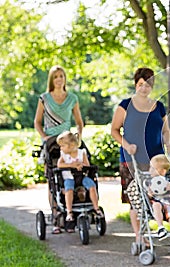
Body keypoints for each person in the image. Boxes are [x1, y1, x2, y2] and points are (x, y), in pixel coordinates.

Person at [110, 67, 170, 245]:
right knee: (135, 199)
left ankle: (163, 227)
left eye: (147, 85)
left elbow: (166, 130)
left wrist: (168, 143)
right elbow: (114, 131)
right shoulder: (125, 105)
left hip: (156, 161)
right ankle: (139, 235)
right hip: (131, 160)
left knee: (159, 195)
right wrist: (127, 145)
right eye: (140, 84)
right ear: (135, 85)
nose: (143, 88)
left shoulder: (159, 107)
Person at [33, 65, 84, 234]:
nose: (59, 79)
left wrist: (79, 138)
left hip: (69, 141)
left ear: (65, 78)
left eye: (61, 76)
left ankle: (74, 212)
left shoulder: (72, 98)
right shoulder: (44, 98)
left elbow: (79, 122)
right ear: (52, 80)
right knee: (53, 180)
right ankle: (56, 217)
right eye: (56, 77)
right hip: (51, 142)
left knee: (76, 174)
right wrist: (45, 137)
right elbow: (37, 122)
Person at [56, 131, 104, 233]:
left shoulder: (81, 152)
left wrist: (80, 164)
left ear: (72, 145)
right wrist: (72, 165)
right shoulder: (63, 155)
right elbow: (59, 165)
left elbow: (87, 164)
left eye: (62, 146)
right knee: (69, 189)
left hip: (82, 177)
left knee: (91, 185)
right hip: (69, 178)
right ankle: (69, 212)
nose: (61, 148)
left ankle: (96, 208)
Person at [147, 154, 170, 258]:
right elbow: (149, 197)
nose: (150, 170)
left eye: (153, 168)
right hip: (158, 206)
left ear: (162, 172)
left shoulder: (169, 182)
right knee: (156, 205)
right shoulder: (150, 183)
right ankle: (160, 228)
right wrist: (150, 193)